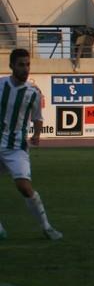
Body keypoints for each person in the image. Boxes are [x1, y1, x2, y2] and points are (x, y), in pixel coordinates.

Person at [0, 49, 62, 241]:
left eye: (27, 64)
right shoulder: (1, 85)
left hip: (15, 146)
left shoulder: (33, 92)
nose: (25, 68)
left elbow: (37, 117)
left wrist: (36, 134)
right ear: (11, 66)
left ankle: (47, 227)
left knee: (24, 187)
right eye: (21, 64)